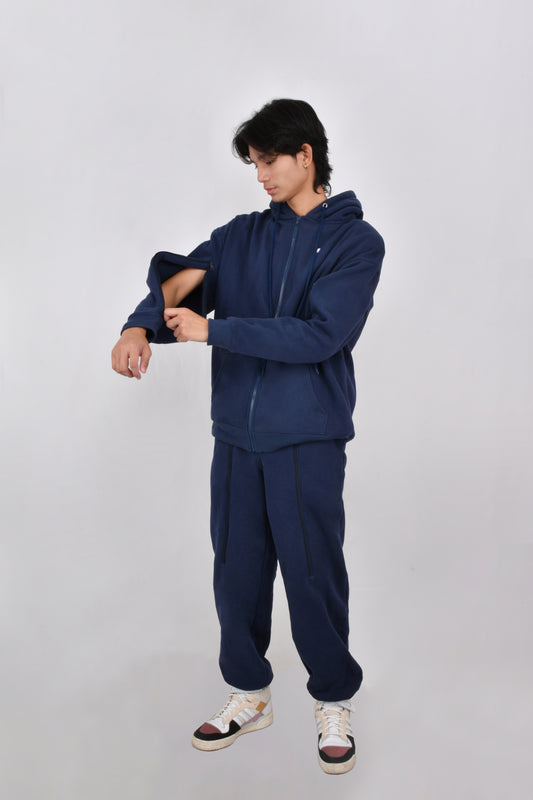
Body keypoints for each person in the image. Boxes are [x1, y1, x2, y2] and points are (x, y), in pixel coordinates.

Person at [111, 99, 384, 775]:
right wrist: (137, 326)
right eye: (253, 164)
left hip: (307, 435)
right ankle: (248, 693)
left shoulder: (356, 243)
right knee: (236, 568)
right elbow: (179, 282)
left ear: (305, 156)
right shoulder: (238, 237)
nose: (260, 176)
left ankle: (333, 698)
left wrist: (217, 330)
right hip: (236, 433)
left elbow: (322, 335)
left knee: (313, 573)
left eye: (268, 161)